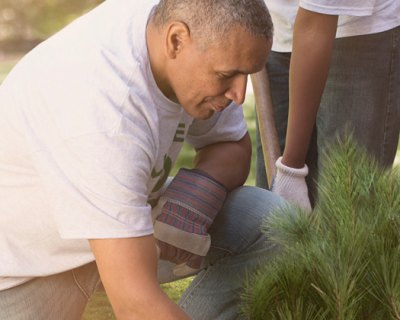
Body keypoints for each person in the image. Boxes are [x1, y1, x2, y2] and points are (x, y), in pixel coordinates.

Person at [0, 0, 283, 319]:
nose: (238, 93)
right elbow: (136, 306)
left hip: (124, 228)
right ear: (176, 41)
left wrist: (196, 197)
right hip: (28, 269)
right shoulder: (105, 112)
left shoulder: (184, 24)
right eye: (227, 75)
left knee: (270, 223)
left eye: (246, 74)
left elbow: (231, 147)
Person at [256, 0, 400, 211]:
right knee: (271, 221)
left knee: (345, 211)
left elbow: (317, 21)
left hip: (357, 32)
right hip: (277, 28)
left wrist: (290, 170)